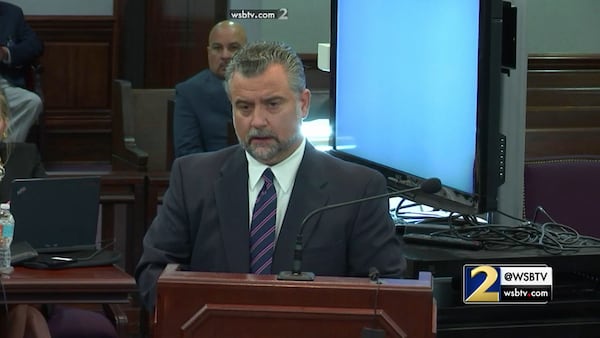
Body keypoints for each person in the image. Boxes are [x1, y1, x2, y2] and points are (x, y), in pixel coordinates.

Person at [136, 41, 406, 309]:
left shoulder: (358, 188)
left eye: (272, 104)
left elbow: (384, 293)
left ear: (303, 104)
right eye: (244, 107)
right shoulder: (193, 178)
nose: (257, 121)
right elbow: (153, 273)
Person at [0, 92, 118, 338]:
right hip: (15, 287)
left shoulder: (25, 156)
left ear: (5, 123)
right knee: (25, 310)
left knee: (24, 305)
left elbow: (47, 213)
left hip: (24, 272)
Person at [173, 20, 247, 158]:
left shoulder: (262, 88)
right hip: (214, 174)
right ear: (208, 52)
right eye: (217, 48)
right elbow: (187, 154)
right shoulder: (190, 92)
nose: (225, 55)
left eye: (233, 48)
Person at [0, 1, 44, 143]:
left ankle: (5, 154)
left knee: (32, 102)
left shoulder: (12, 13)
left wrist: (7, 53)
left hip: (5, 83)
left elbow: (35, 45)